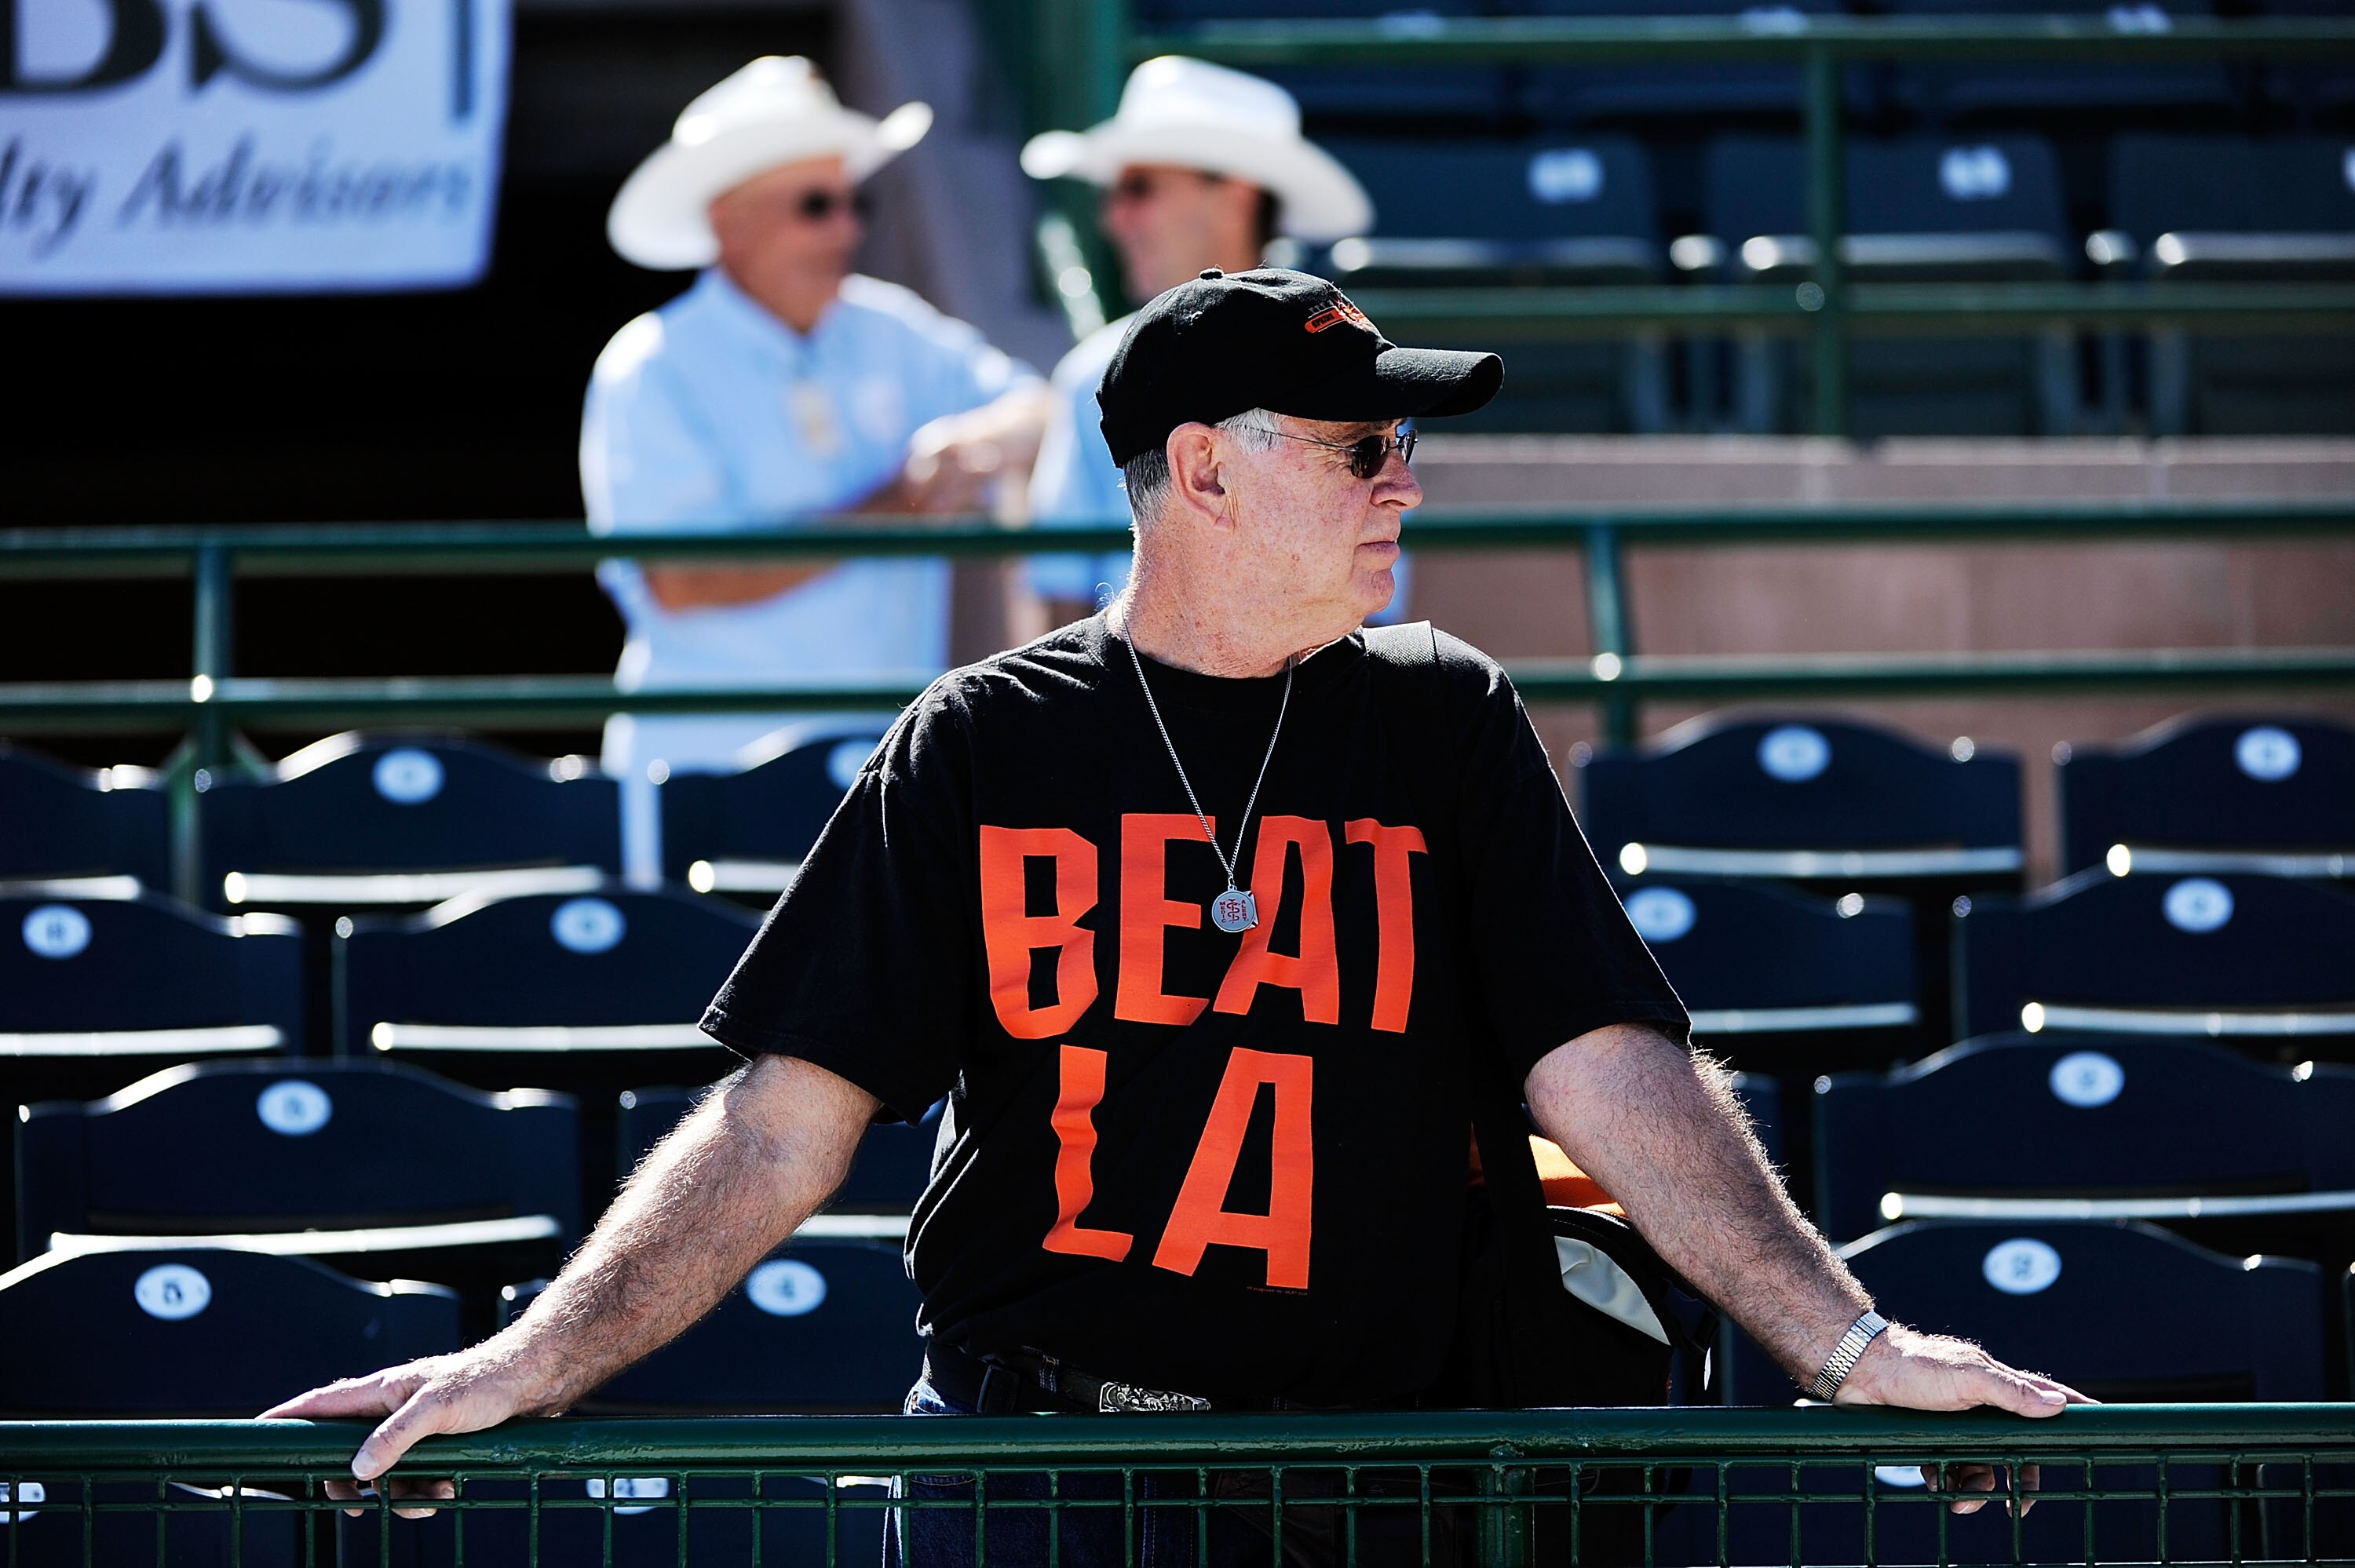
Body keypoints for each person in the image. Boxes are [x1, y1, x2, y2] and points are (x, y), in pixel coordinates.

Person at [268, 271, 2086, 1563]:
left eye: (1400, 444)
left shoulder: (1441, 714)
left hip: (1377, 1490)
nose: (1404, 480)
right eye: (1358, 447)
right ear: (1202, 469)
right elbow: (776, 1127)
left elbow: (1607, 1066)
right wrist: (533, 1354)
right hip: (1043, 1482)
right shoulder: (981, 741)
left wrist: (1845, 1345)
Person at [584, 55, 1053, 881]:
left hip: (877, 777)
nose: (846, 229)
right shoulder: (652, 365)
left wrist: (976, 442)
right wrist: (901, 505)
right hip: (709, 777)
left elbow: (1038, 404)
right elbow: (683, 580)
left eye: (853, 203)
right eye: (815, 206)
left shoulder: (890, 328)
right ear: (729, 222)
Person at [1019, 57, 1374, 628]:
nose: (1113, 218)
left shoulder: (1357, 369)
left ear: (1236, 198)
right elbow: (1063, 618)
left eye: (1139, 188)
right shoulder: (1090, 375)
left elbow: (1369, 609)